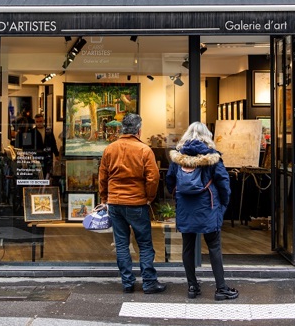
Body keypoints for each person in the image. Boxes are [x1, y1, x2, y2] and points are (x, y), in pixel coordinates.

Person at [166, 121, 239, 301]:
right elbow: (223, 184)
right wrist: (222, 205)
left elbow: (169, 181)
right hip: (208, 206)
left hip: (185, 207)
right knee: (214, 246)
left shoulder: (178, 157)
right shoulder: (212, 157)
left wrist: (179, 197)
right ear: (208, 136)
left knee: (187, 246)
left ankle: (192, 286)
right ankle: (221, 289)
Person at [99, 113, 167, 294]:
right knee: (144, 244)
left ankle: (127, 282)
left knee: (121, 244)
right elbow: (153, 178)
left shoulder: (110, 149)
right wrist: (149, 198)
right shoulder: (144, 150)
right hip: (137, 202)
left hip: (115, 202)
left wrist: (105, 197)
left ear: (123, 129)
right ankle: (149, 282)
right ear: (139, 130)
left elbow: (103, 177)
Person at [34, 113, 59, 178]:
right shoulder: (33, 132)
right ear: (35, 122)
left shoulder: (48, 131)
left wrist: (56, 154)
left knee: (47, 174)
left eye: (40, 121)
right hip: (37, 156)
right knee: (38, 174)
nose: (39, 123)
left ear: (43, 121)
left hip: (47, 156)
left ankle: (45, 187)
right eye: (37, 121)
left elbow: (53, 143)